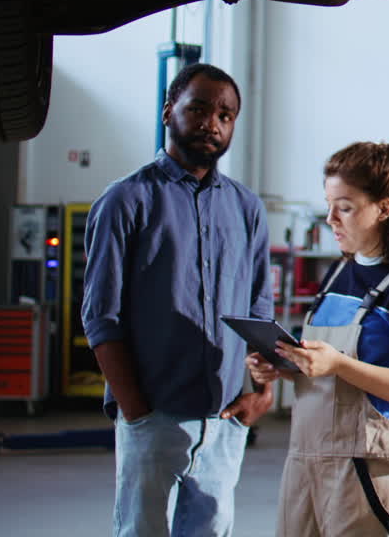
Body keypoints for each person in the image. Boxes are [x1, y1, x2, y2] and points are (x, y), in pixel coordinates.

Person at [82, 63, 274, 537]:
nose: (213, 123)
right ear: (169, 111)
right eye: (200, 109)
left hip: (226, 419)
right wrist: (138, 413)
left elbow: (259, 313)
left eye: (226, 115)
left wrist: (264, 394)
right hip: (155, 415)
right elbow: (100, 317)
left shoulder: (246, 207)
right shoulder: (126, 200)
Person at [248, 142, 389, 537]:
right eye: (329, 205)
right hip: (305, 462)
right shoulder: (339, 274)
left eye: (345, 207)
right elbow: (329, 379)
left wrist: (338, 363)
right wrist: (286, 367)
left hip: (368, 468)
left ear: (384, 208)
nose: (331, 219)